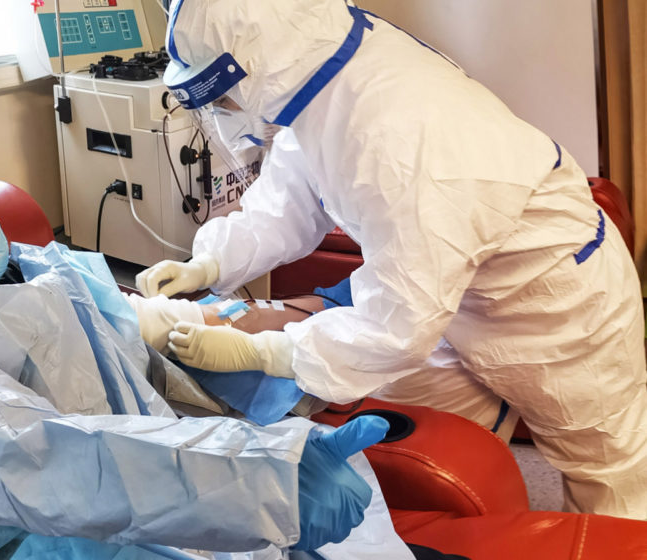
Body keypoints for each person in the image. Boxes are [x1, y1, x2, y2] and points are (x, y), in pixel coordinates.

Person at [137, 0, 647, 520]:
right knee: (425, 441)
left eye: (222, 98)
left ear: (255, 64)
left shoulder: (397, 134)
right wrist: (210, 263)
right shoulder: (315, 83)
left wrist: (267, 352)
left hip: (558, 304)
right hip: (455, 295)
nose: (221, 115)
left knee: (607, 474)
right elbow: (286, 204)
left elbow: (397, 328)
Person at [0, 158, 422, 560]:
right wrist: (260, 476)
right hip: (56, 535)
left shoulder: (36, 270)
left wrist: (263, 342)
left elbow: (135, 330)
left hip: (157, 479)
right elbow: (36, 456)